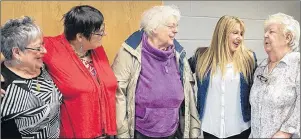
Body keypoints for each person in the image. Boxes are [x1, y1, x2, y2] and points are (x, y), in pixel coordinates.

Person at [112, 5, 201, 139]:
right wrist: (122, 133)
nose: (176, 31)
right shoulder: (130, 52)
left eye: (176, 26)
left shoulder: (179, 54)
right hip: (141, 132)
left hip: (173, 130)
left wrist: (194, 130)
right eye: (171, 26)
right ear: (154, 28)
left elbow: (189, 95)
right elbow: (118, 94)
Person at [43, 5, 117, 138]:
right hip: (74, 134)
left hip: (105, 133)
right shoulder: (51, 47)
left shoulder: (96, 49)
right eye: (98, 32)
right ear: (80, 37)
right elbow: (12, 49)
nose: (104, 34)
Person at [189, 15, 257, 139]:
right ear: (222, 33)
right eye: (235, 32)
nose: (239, 38)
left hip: (240, 130)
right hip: (210, 129)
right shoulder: (202, 56)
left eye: (241, 34)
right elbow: (181, 74)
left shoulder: (249, 58)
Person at [1, 16, 62, 138]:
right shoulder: (4, 85)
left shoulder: (43, 67)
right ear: (17, 52)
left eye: (43, 44)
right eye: (38, 48)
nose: (44, 51)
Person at [249, 13, 300, 138]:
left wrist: (286, 131)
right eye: (265, 32)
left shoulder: (297, 64)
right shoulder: (261, 68)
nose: (265, 35)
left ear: (287, 37)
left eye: (271, 32)